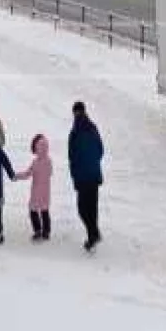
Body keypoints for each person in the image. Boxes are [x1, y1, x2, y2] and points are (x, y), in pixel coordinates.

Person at [68, 101, 104, 252]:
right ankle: (93, 234)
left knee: (83, 209)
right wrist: (93, 163)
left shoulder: (74, 133)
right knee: (92, 208)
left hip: (83, 178)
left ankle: (93, 235)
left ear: (75, 113)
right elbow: (101, 150)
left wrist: (75, 177)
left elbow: (72, 158)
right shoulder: (93, 128)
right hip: (94, 175)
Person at [16, 134, 53, 241]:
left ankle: (37, 230)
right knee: (45, 211)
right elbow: (50, 173)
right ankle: (46, 231)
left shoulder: (36, 162)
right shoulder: (49, 161)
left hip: (36, 191)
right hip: (46, 191)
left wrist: (17, 176)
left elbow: (28, 174)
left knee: (33, 210)